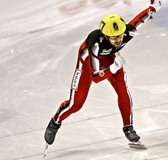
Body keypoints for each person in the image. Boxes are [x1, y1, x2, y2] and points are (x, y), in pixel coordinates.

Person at [44, 0, 161, 146]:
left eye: (119, 35)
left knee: (123, 90)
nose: (118, 40)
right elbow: (95, 77)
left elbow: (142, 18)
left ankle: (128, 128)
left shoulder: (128, 32)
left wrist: (154, 7)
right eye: (114, 37)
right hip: (88, 63)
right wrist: (113, 68)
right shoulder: (95, 43)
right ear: (105, 36)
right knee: (76, 104)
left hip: (109, 58)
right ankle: (55, 122)